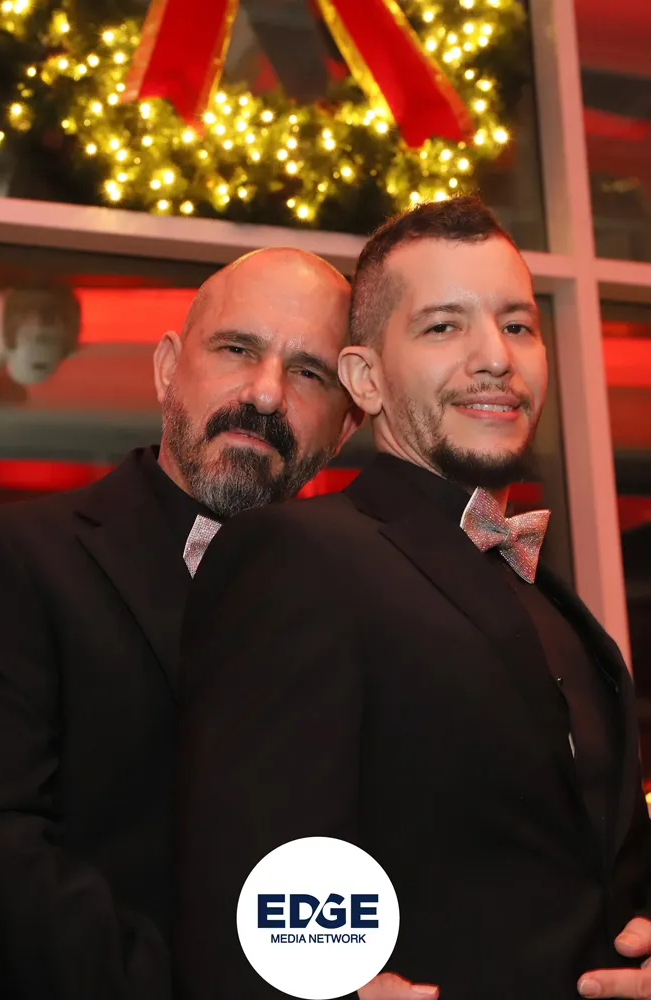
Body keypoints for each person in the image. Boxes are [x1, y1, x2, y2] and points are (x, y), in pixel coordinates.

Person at [175, 197, 651, 1000]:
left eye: (518, 325)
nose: (494, 357)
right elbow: (247, 877)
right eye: (443, 327)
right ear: (366, 378)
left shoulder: (545, 594)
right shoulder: (301, 555)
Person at [0, 247, 372, 1000]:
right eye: (237, 350)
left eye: (308, 372)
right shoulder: (15, 561)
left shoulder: (367, 605)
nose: (266, 393)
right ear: (167, 368)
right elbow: (2, 855)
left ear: (346, 425)